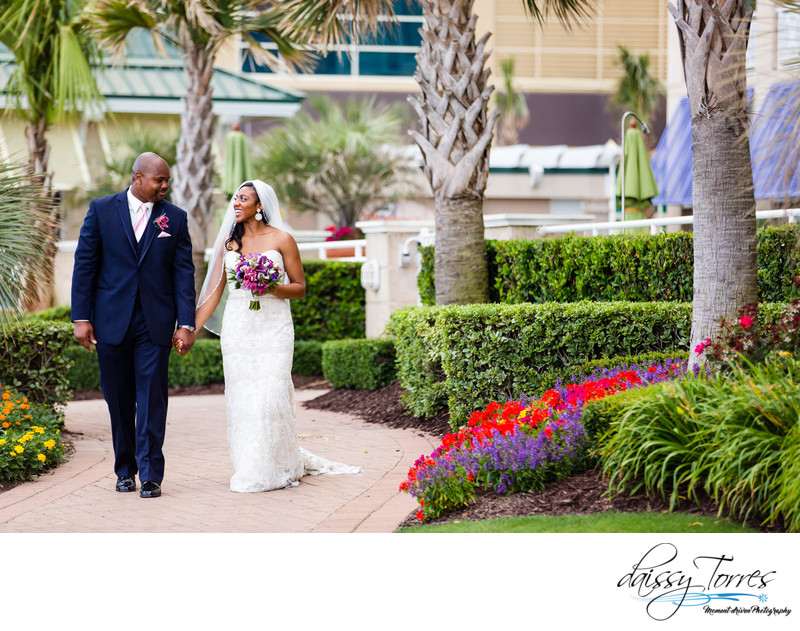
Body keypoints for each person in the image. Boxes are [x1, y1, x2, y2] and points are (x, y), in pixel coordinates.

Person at [194, 180, 361, 492]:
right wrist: (189, 329)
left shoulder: (283, 239)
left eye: (244, 198)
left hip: (274, 327)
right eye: (235, 199)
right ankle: (254, 465)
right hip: (239, 328)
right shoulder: (229, 245)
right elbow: (214, 294)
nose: (236, 203)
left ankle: (277, 464)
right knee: (245, 401)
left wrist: (271, 287)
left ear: (260, 206)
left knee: (270, 398)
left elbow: (299, 287)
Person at [71, 152, 196, 499]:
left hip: (154, 323)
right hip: (111, 321)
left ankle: (152, 474)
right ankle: (125, 470)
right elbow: (85, 265)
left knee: (153, 398)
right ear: (138, 177)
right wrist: (81, 317)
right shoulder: (101, 210)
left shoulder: (175, 218)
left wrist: (186, 323)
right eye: (160, 180)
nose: (165, 187)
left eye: (167, 181)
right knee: (119, 399)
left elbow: (183, 274)